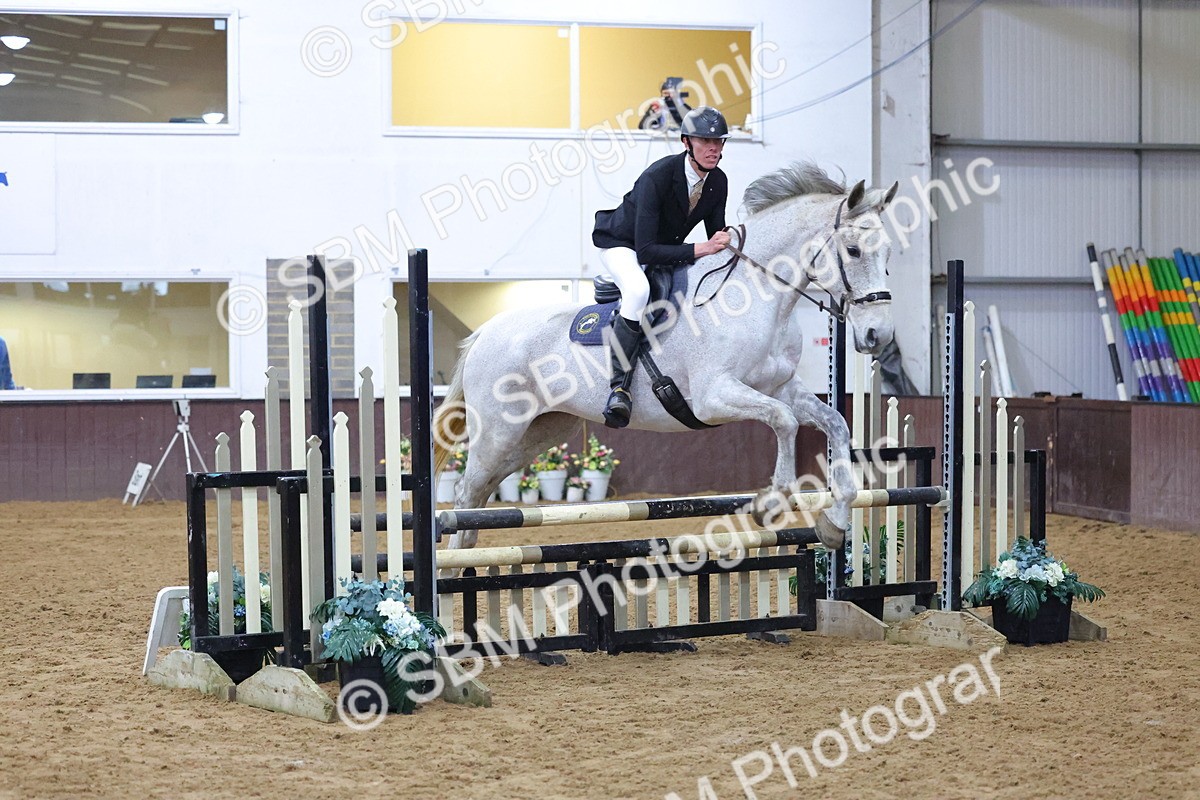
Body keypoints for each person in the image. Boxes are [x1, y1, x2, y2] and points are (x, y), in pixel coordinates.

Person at [592, 106, 732, 428]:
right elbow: (647, 250)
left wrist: (730, 240)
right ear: (687, 142)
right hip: (622, 244)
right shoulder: (658, 176)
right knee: (639, 290)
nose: (713, 148)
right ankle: (619, 388)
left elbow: (715, 237)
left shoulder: (717, 182)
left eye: (719, 142)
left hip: (661, 248)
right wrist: (703, 248)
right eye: (705, 141)